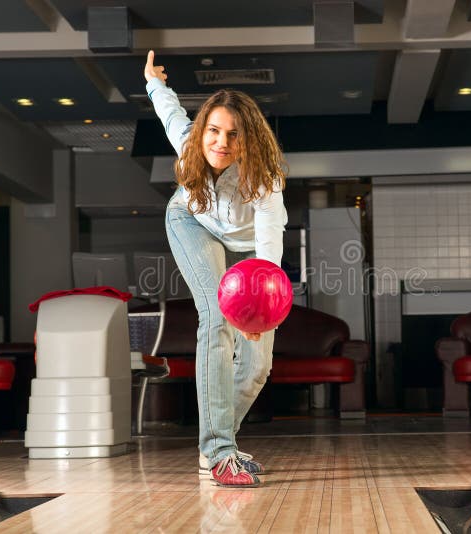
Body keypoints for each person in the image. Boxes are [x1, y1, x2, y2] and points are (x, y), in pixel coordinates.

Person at [144, 51, 288, 487]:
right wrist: (153, 82)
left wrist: (259, 313)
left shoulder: (265, 178)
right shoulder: (191, 143)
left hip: (250, 256)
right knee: (216, 319)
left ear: (249, 140)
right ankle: (221, 451)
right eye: (214, 131)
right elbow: (170, 113)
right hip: (191, 221)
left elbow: (267, 249)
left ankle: (216, 444)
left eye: (233, 135)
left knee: (257, 366)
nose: (221, 142)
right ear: (204, 130)